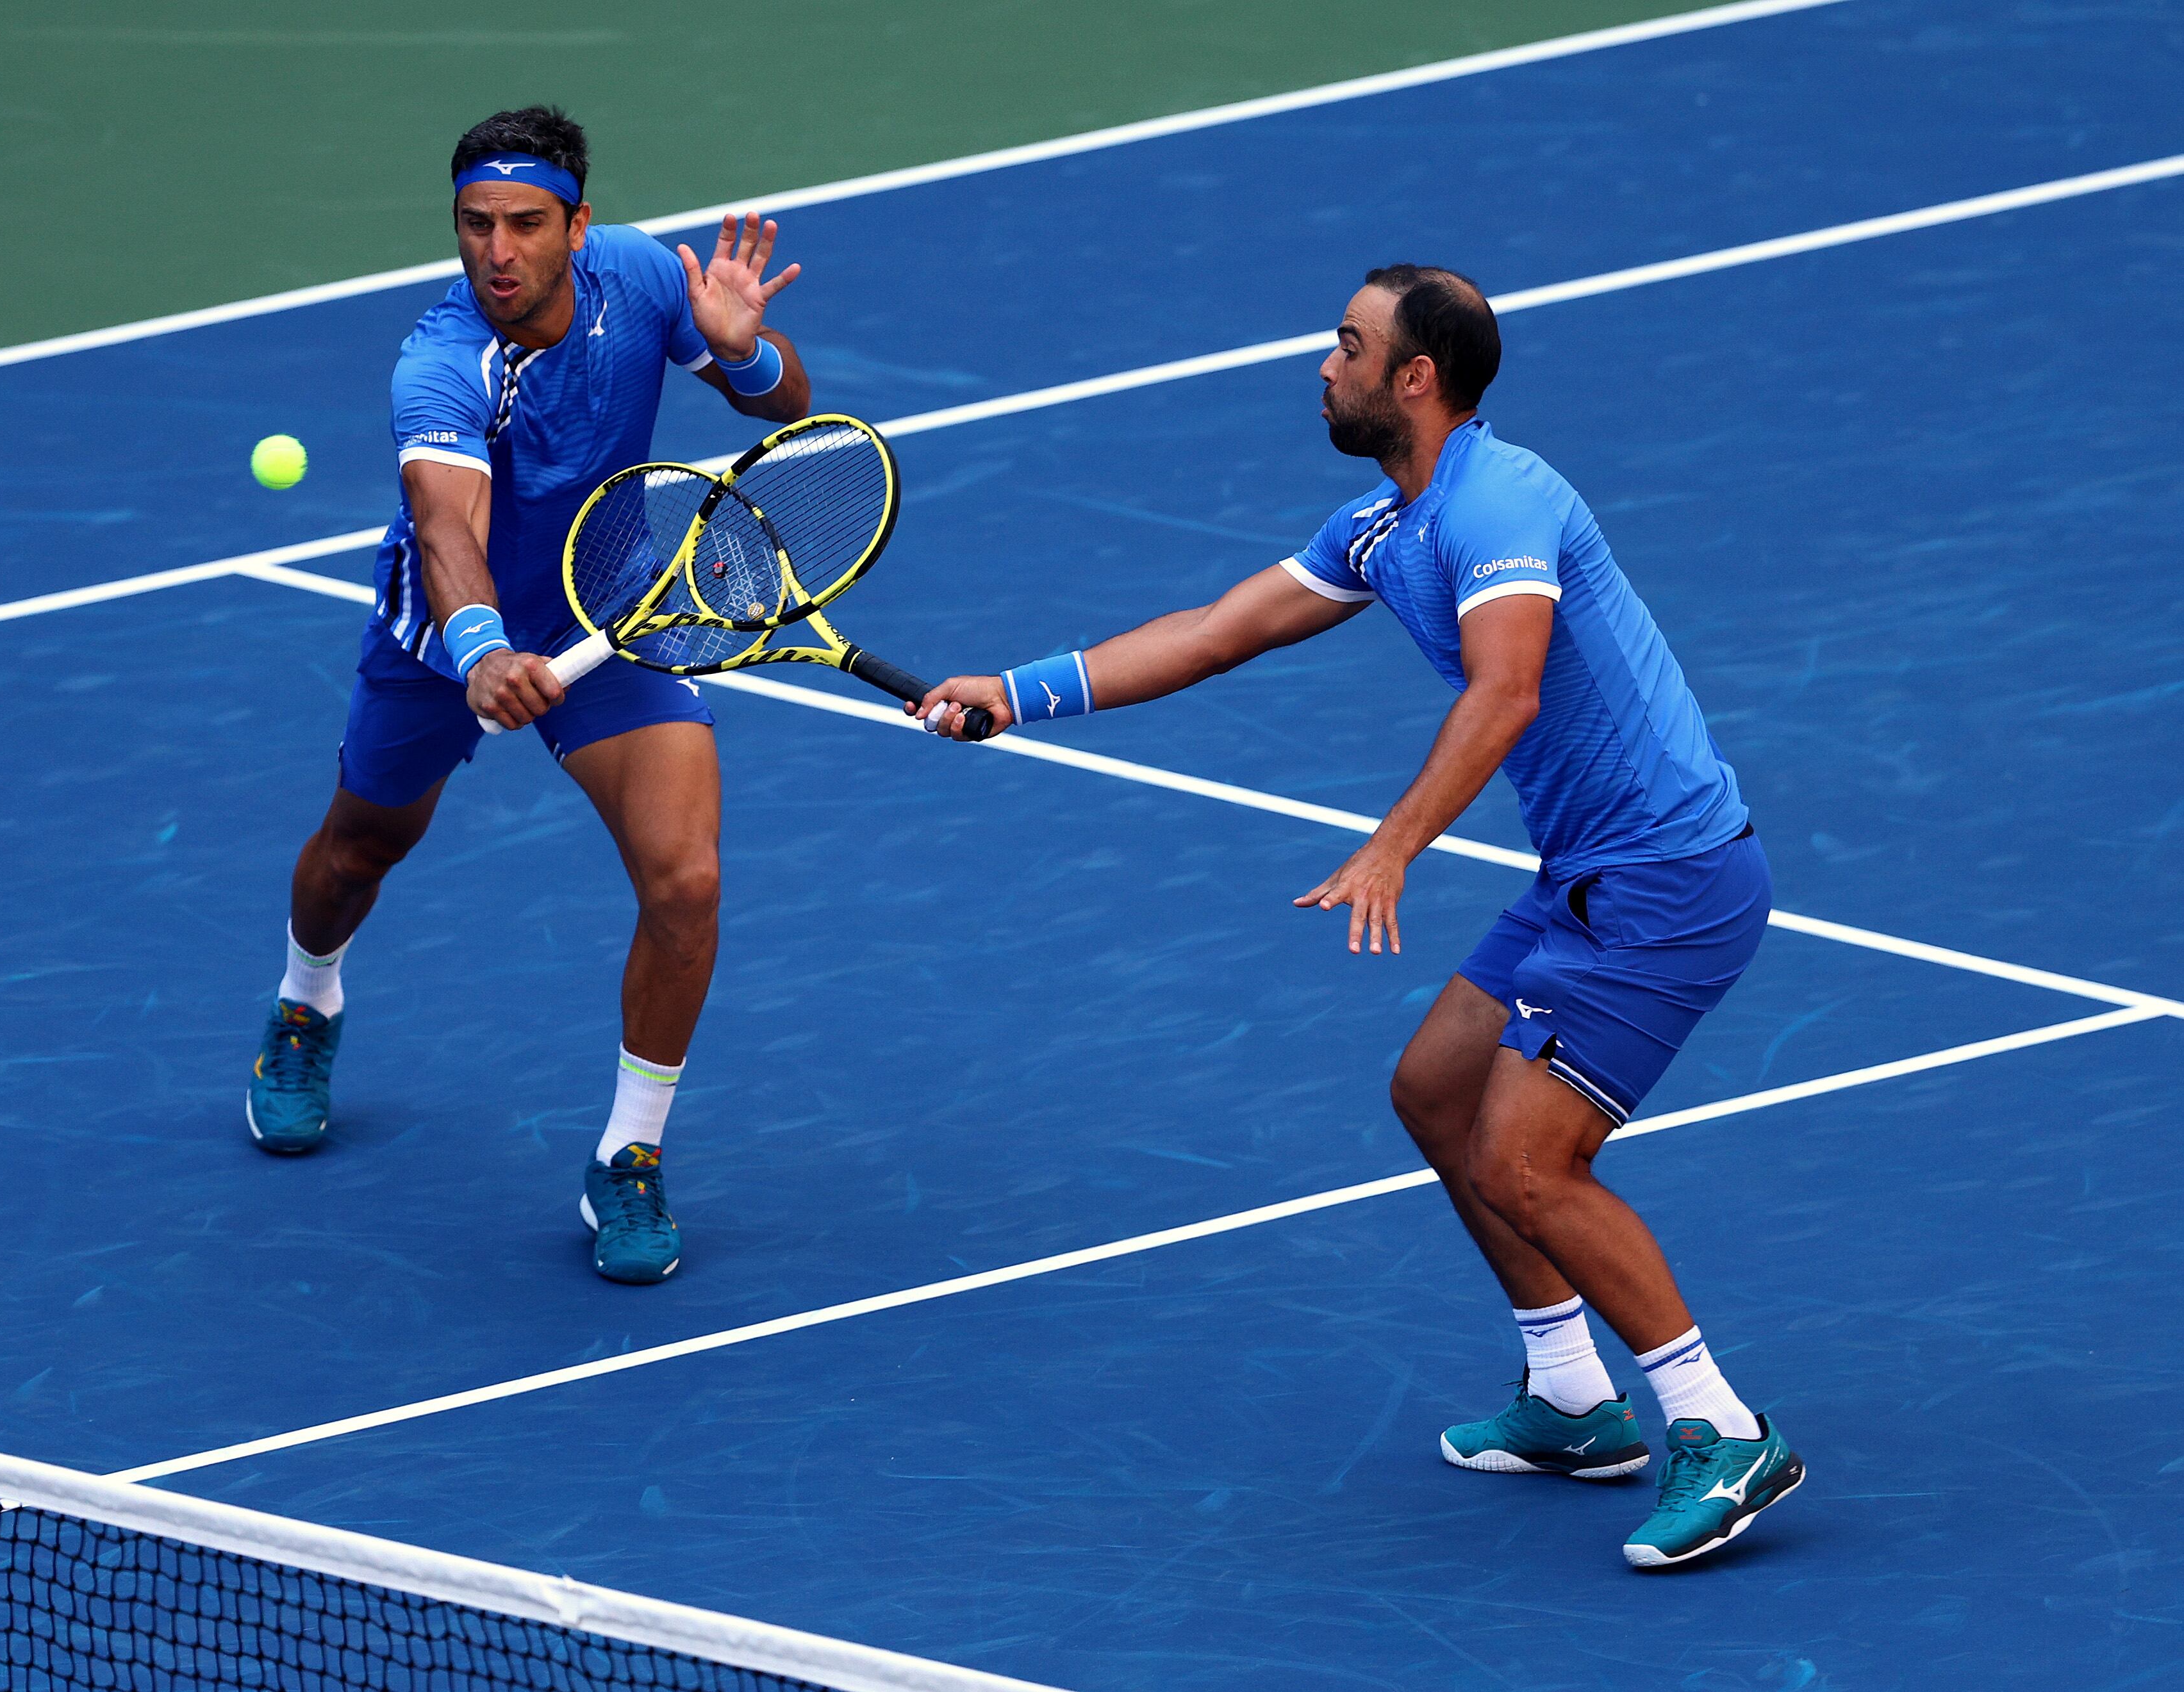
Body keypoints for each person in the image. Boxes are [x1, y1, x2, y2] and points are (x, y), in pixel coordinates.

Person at [911, 265, 1801, 1568]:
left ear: (1413, 376)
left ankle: (1719, 1428)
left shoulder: (1499, 503)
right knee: (1438, 1092)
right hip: (1587, 874)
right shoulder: (1386, 524)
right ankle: (1571, 1394)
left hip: (1664, 881)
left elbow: (1505, 691)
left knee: (1528, 1162)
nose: (1323, 367)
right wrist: (1016, 688)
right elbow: (1216, 631)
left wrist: (1391, 846)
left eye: (1347, 344)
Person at [246, 106, 812, 1286]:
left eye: (525, 224)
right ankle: (307, 1000)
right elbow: (445, 526)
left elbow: (788, 409)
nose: (496, 251)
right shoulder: (440, 361)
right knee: (359, 850)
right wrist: (481, 650)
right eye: (475, 224)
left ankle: (628, 1155)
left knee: (687, 881)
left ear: (577, 225)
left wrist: (745, 350)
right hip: (447, 643)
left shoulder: (645, 279)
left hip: (611, 618)